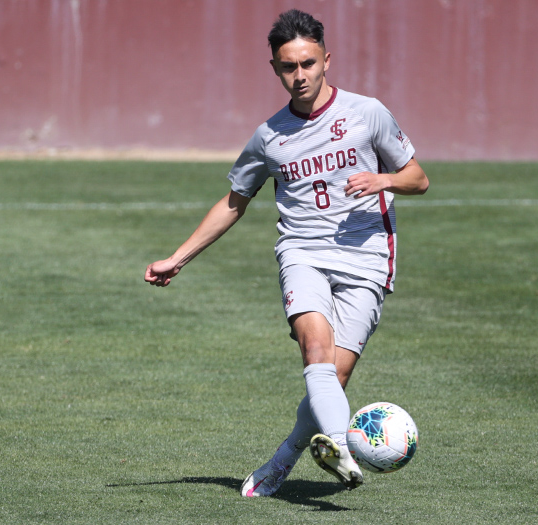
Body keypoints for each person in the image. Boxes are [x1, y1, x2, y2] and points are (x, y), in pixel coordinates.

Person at [144, 9, 428, 497]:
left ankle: (284, 458)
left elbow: (418, 178)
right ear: (274, 68)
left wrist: (383, 179)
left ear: (326, 61)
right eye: (288, 67)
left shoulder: (368, 113)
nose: (299, 76)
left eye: (308, 64)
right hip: (303, 251)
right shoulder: (269, 137)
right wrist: (178, 257)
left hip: (367, 257)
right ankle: (341, 446)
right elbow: (235, 201)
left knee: (334, 377)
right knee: (314, 349)